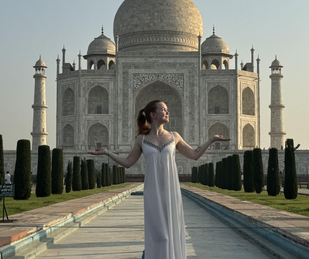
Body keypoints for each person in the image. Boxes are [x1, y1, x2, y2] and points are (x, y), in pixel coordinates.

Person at [89, 100, 230, 259]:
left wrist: (211, 140)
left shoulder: (174, 136)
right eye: (164, 110)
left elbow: (194, 154)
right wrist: (108, 153)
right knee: (160, 237)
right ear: (153, 115)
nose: (167, 112)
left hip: (171, 192)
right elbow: (128, 163)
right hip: (153, 193)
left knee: (171, 236)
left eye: (167, 109)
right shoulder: (141, 140)